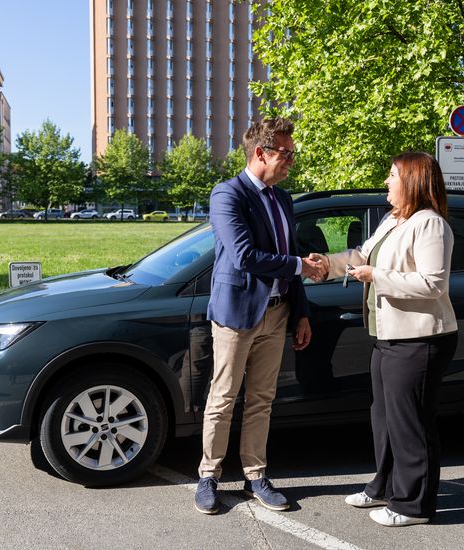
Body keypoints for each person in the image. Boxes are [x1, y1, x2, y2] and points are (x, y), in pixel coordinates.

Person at [315, 151, 458, 527]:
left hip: (421, 338)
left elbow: (432, 284)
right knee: (385, 418)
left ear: (412, 180)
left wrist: (375, 275)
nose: (386, 181)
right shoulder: (394, 219)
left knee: (412, 423)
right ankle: (385, 485)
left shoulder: (430, 225)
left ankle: (413, 506)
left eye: (392, 175)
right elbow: (361, 254)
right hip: (387, 335)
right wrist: (325, 265)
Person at [194, 117, 326, 514]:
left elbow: (289, 258)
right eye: (285, 153)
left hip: (278, 312)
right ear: (260, 153)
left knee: (262, 400)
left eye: (291, 154)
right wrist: (302, 266)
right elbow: (245, 257)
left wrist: (300, 312)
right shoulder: (227, 195)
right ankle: (209, 477)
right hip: (236, 314)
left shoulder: (283, 199)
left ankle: (255, 475)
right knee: (223, 397)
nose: (290, 161)